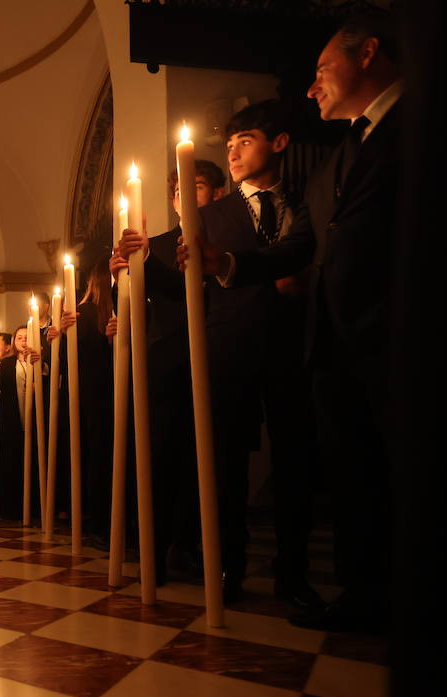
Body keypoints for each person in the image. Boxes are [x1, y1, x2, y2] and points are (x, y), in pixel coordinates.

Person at [182, 12, 401, 632]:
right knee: (349, 472)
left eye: (322, 70)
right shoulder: (338, 160)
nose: (312, 87)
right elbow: (303, 244)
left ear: (369, 55)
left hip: (364, 333)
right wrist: (226, 263)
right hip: (299, 346)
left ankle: (319, 577)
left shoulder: (408, 130)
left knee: (320, 467)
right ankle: (360, 592)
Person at [202, 100, 322, 610]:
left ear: (278, 144)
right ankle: (229, 564)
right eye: (227, 145)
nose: (232, 151)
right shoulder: (210, 215)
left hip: (295, 349)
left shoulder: (308, 202)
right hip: (232, 350)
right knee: (228, 462)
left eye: (243, 140)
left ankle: (292, 571)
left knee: (296, 459)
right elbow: (184, 273)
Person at [113, 160, 225, 582]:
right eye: (179, 191)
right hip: (165, 364)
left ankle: (200, 548)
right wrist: (120, 274)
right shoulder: (155, 244)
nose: (185, 197)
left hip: (216, 360)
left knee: (210, 463)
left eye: (196, 187)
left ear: (215, 193)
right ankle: (154, 552)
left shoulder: (227, 238)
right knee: (161, 458)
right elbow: (140, 299)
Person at [48, 258, 115, 545]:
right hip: (104, 394)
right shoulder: (89, 313)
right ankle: (104, 520)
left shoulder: (85, 313)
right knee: (103, 457)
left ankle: (96, 519)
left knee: (96, 457)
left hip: (90, 396)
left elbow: (64, 361)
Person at [0, 326, 41, 520]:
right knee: (12, 460)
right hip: (11, 418)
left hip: (36, 417)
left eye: (27, 337)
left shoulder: (39, 358)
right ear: (14, 343)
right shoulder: (7, 363)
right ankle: (11, 506)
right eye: (19, 337)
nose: (23, 340)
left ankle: (35, 506)